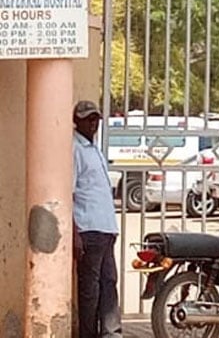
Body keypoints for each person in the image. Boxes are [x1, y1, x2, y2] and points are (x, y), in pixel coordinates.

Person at [72, 100, 122, 338]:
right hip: (88, 229)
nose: (93, 123)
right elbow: (68, 193)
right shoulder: (75, 149)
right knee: (90, 288)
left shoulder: (94, 149)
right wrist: (75, 234)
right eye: (88, 119)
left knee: (109, 282)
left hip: (105, 229)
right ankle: (88, 334)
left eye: (95, 119)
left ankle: (111, 332)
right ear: (77, 121)